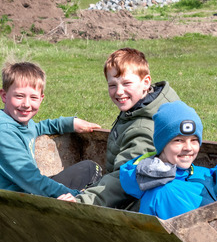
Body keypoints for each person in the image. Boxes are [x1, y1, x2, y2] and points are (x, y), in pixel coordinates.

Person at [0, 61, 102, 200]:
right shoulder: (3, 135)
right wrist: (80, 198)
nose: (26, 104)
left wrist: (69, 123)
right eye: (19, 96)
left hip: (23, 190)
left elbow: (37, 127)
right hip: (6, 205)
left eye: (33, 97)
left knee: (89, 168)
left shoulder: (18, 123)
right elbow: (33, 181)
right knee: (87, 188)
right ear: (4, 96)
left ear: (41, 98)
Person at [75, 48, 181, 207]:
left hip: (136, 199)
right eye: (112, 85)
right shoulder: (142, 107)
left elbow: (123, 180)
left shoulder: (143, 128)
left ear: (145, 82)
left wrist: (83, 202)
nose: (119, 91)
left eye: (126, 83)